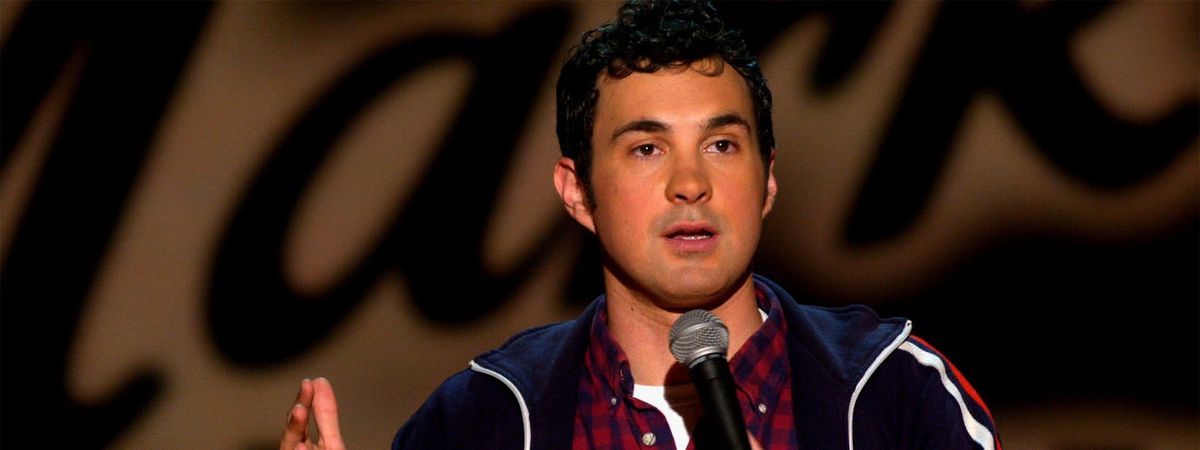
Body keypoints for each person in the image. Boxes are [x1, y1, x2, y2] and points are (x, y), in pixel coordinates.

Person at [280, 1, 1000, 449]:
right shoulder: (482, 419)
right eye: (647, 149)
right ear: (577, 193)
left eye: (723, 145)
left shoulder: (896, 393)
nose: (691, 184)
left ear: (769, 179)